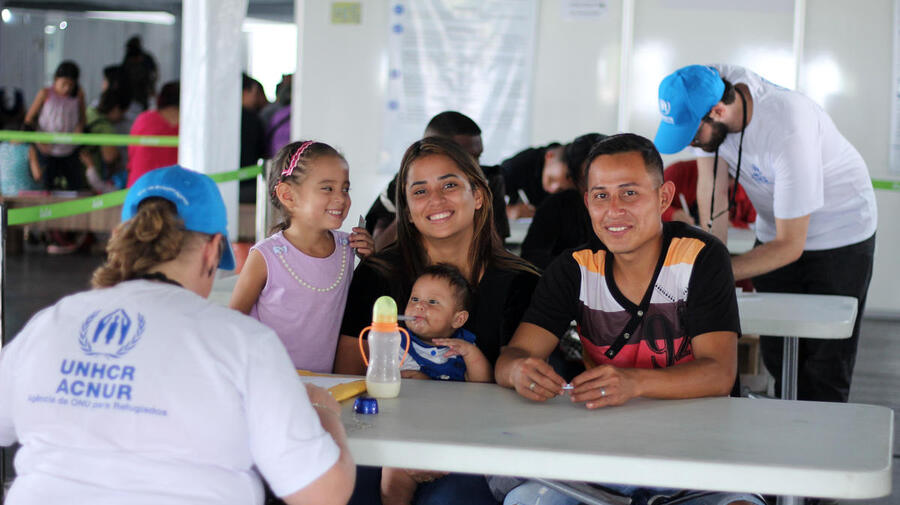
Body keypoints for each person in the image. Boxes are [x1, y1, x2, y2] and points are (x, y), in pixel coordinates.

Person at [0, 165, 355, 505]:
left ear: (123, 238)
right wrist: (324, 413)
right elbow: (322, 494)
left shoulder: (49, 324)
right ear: (212, 250)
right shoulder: (243, 343)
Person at [495, 134, 763, 505]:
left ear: (663, 197)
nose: (614, 209)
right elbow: (515, 353)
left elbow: (719, 373)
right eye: (601, 195)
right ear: (587, 202)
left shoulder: (700, 258)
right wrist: (518, 371)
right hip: (603, 459)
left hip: (700, 455)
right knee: (526, 501)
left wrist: (633, 383)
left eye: (630, 193)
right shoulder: (574, 269)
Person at [654, 64, 877, 403]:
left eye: (693, 134)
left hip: (840, 233)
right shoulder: (705, 87)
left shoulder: (787, 129)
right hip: (776, 229)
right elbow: (712, 188)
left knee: (825, 362)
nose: (692, 143)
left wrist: (717, 274)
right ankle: (785, 432)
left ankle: (817, 446)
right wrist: (708, 259)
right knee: (776, 348)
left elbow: (789, 246)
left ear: (718, 111)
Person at [338, 136, 539, 505]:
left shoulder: (520, 283)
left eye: (449, 185)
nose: (436, 200)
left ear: (478, 196)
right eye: (420, 191)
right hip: (382, 438)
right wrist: (398, 448)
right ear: (407, 211)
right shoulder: (377, 276)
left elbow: (523, 400)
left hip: (477, 446)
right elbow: (347, 377)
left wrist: (443, 449)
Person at [229, 140, 374, 373]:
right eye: (327, 188)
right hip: (268, 380)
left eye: (345, 189)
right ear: (288, 196)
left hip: (325, 384)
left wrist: (370, 258)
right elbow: (232, 321)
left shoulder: (348, 248)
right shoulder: (266, 256)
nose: (341, 198)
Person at [382, 264, 491, 505]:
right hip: (407, 432)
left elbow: (482, 386)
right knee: (392, 485)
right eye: (415, 299)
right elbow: (396, 381)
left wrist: (471, 355)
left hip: (452, 431)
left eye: (433, 302)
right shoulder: (397, 340)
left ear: (458, 318)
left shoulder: (460, 346)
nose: (420, 306)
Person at [364, 111, 510, 250]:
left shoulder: (489, 180)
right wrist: (409, 210)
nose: (475, 166)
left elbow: (496, 247)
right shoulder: (403, 184)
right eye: (421, 191)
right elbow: (378, 249)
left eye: (450, 186)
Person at [519, 133, 605, 270]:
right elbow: (531, 258)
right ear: (574, 180)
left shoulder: (630, 208)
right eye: (589, 180)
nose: (600, 188)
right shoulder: (555, 207)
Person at [24, 60, 86, 190]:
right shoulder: (45, 94)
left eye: (71, 85)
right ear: (55, 79)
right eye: (64, 84)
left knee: (76, 186)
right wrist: (38, 141)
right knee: (45, 186)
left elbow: (82, 118)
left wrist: (78, 131)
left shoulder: (78, 95)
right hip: (46, 149)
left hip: (69, 148)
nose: (67, 88)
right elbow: (29, 119)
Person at [661, 159, 755, 229]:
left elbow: (757, 226)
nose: (717, 184)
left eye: (727, 178)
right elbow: (650, 204)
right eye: (714, 175)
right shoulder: (678, 172)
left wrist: (733, 225)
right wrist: (671, 214)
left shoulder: (747, 189)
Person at [500, 142, 573, 219]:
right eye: (551, 179)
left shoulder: (577, 181)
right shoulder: (520, 164)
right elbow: (488, 192)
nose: (553, 190)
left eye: (560, 189)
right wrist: (508, 211)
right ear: (549, 156)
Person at [127, 81, 179, 187]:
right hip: (177, 193)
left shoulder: (143, 119)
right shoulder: (194, 126)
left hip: (139, 190)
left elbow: (131, 155)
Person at [81, 88, 129, 193]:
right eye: (123, 113)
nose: (122, 117)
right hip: (91, 180)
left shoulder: (89, 112)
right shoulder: (106, 128)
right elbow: (110, 157)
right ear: (116, 109)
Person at [239, 73, 268, 203]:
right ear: (251, 91)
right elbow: (261, 150)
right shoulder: (252, 119)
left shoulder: (218, 120)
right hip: (249, 185)